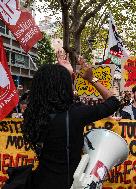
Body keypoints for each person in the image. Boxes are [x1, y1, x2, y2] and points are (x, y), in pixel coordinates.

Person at [21, 53, 120, 189]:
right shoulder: (75, 114)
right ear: (65, 85)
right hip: (67, 184)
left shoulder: (32, 114)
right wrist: (92, 78)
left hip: (39, 182)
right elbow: (113, 102)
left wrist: (65, 73)